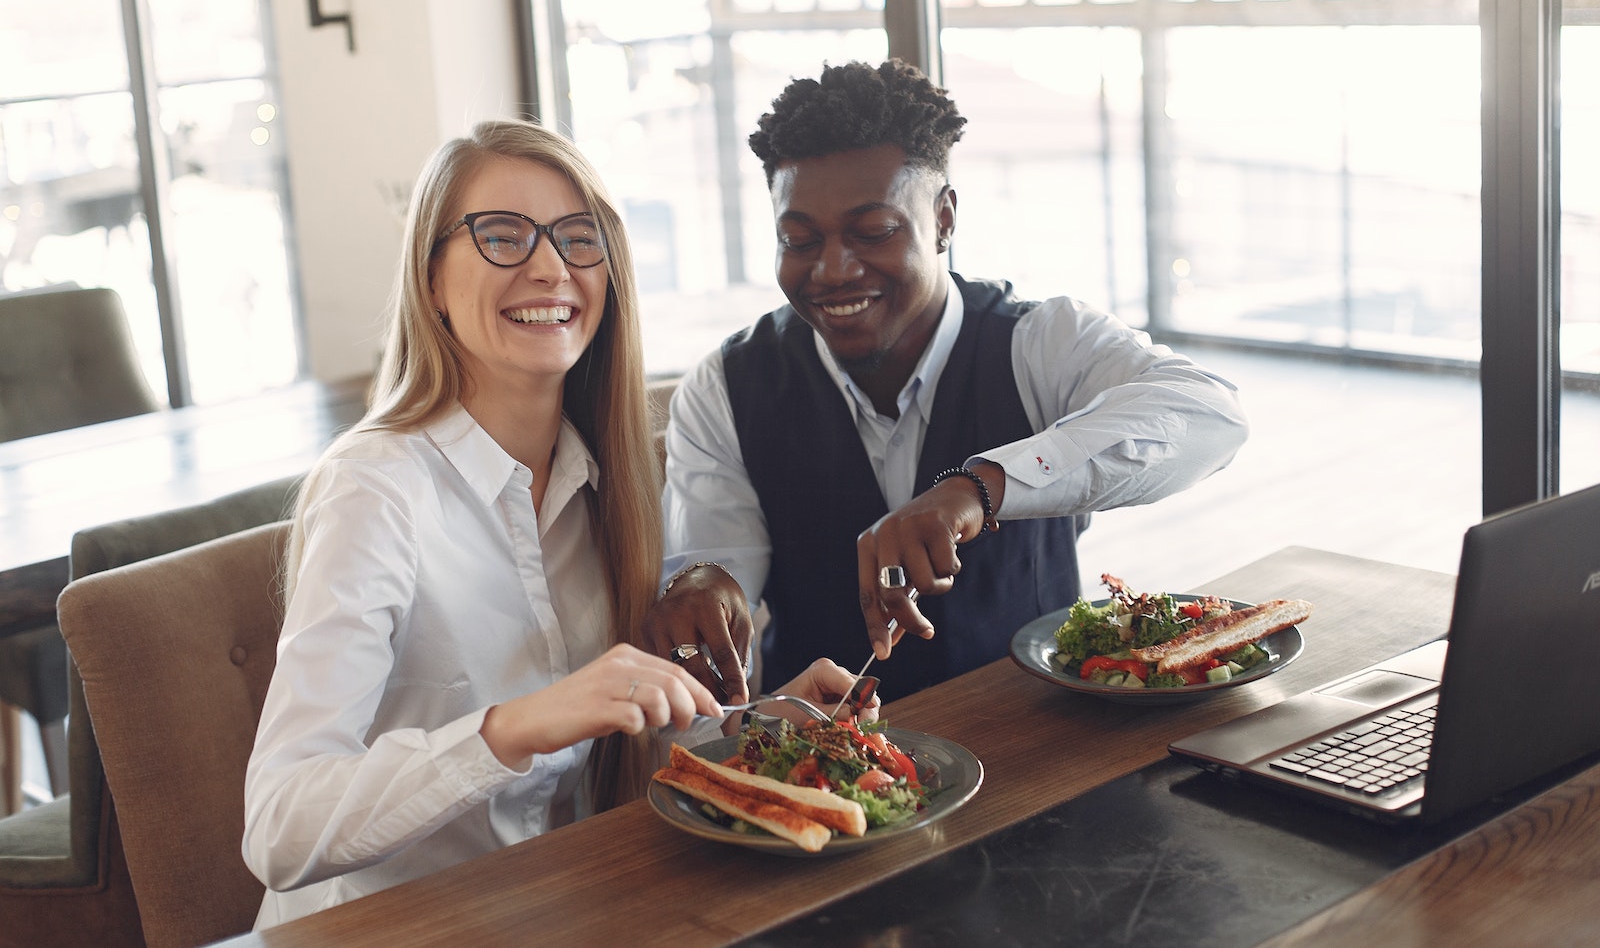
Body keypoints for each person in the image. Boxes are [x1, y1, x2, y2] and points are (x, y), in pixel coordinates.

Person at [242, 119, 861, 927]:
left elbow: (608, 745)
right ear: (431, 278)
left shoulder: (612, 476)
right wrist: (519, 724)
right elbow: (279, 827)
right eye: (501, 235)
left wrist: (752, 731)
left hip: (554, 910)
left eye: (579, 237)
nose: (549, 267)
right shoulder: (375, 489)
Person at [644, 59, 1250, 702]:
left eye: (872, 232)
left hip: (1048, 738)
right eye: (798, 240)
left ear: (945, 220)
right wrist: (703, 585)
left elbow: (1210, 414)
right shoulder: (727, 386)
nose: (832, 270)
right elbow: (714, 561)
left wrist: (980, 486)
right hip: (835, 769)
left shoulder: (1040, 341)